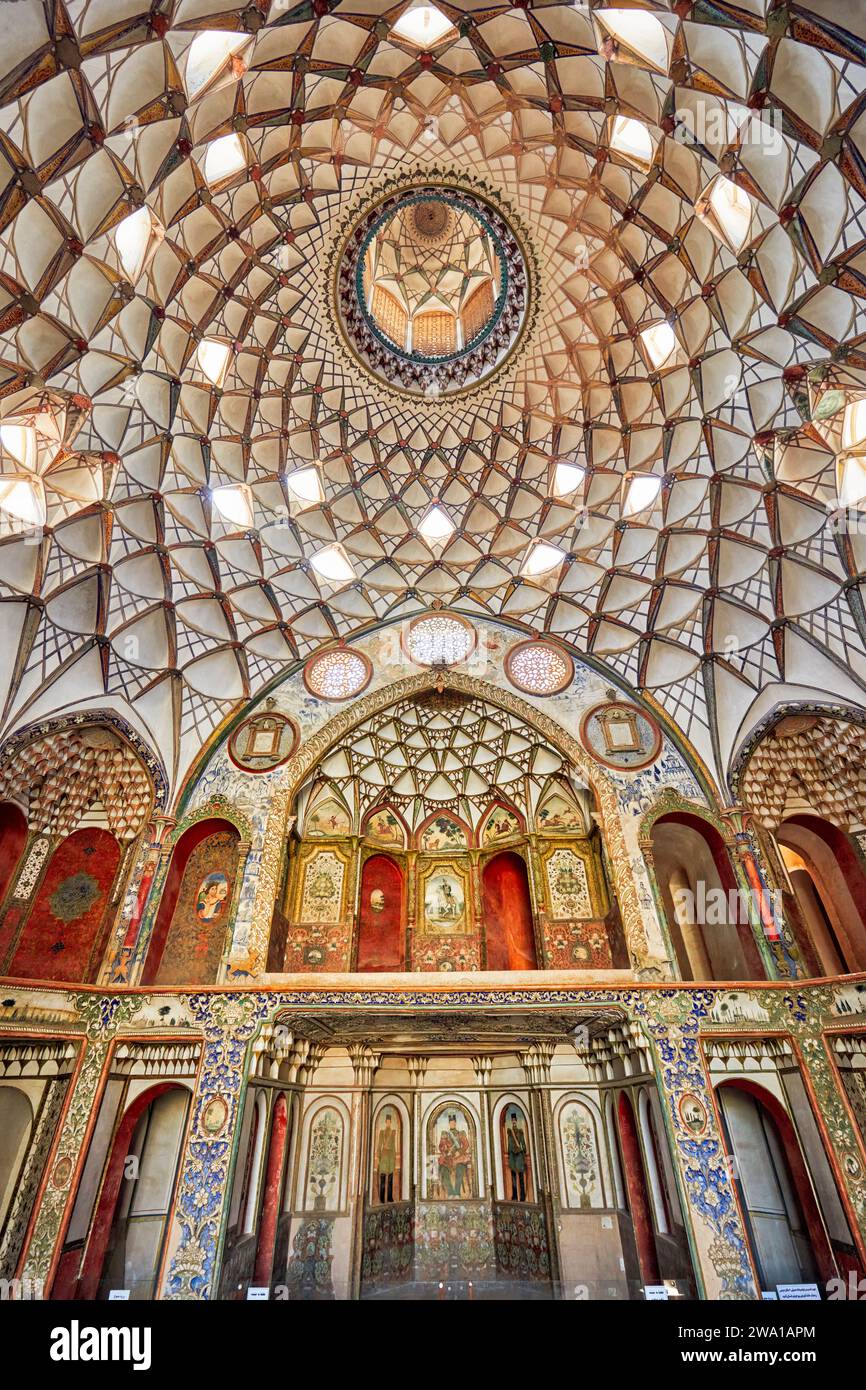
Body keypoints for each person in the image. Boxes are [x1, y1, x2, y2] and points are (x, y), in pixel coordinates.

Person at [506, 1110, 528, 1201]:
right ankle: (515, 1196)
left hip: (519, 1157)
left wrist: (523, 1150)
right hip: (512, 1157)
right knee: (513, 1177)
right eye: (512, 1120)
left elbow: (523, 1143)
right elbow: (509, 1144)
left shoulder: (520, 1132)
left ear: (516, 1121)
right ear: (512, 1121)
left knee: (521, 1177)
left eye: (515, 1120)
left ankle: (522, 1196)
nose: (514, 1121)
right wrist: (510, 1151)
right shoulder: (510, 1132)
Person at [376, 1111, 397, 1202]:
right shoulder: (382, 1132)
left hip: (390, 1157)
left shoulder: (393, 1132)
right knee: (383, 1177)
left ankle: (389, 1197)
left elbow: (393, 1146)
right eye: (387, 1121)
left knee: (390, 1178)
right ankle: (381, 1198)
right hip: (384, 1156)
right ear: (385, 1122)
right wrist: (378, 1157)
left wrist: (394, 1158)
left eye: (389, 1121)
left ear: (390, 1122)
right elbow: (379, 1145)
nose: (388, 1123)